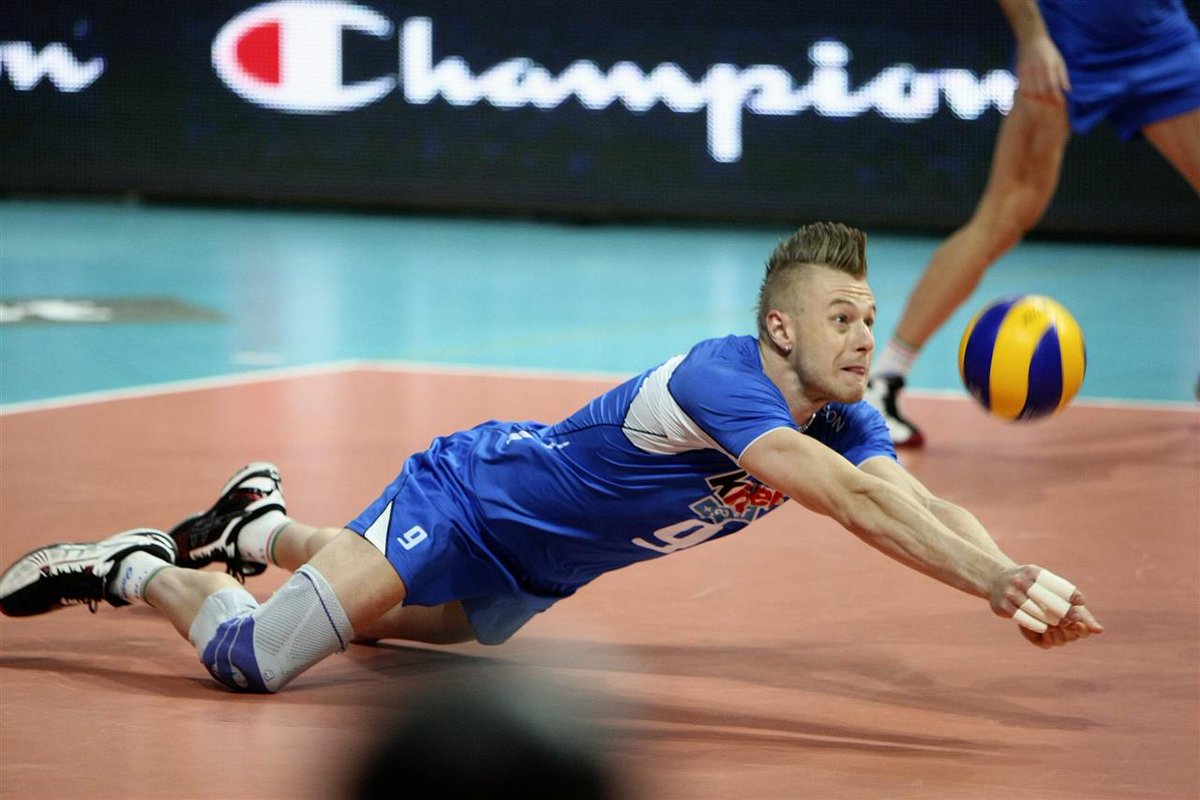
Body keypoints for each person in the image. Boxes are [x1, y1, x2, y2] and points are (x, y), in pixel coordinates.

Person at [0, 222, 1103, 694]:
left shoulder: (844, 418)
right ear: (781, 328)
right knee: (258, 658)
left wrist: (1011, 571)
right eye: (844, 318)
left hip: (534, 572)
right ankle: (131, 565)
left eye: (871, 318)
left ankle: (259, 525)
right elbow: (855, 506)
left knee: (372, 627)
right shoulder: (725, 381)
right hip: (467, 501)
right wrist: (993, 584)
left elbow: (917, 501)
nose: (866, 338)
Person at [867, 0, 1200, 447]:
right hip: (1068, 48)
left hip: (1161, 41)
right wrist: (1033, 37)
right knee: (1002, 219)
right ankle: (882, 381)